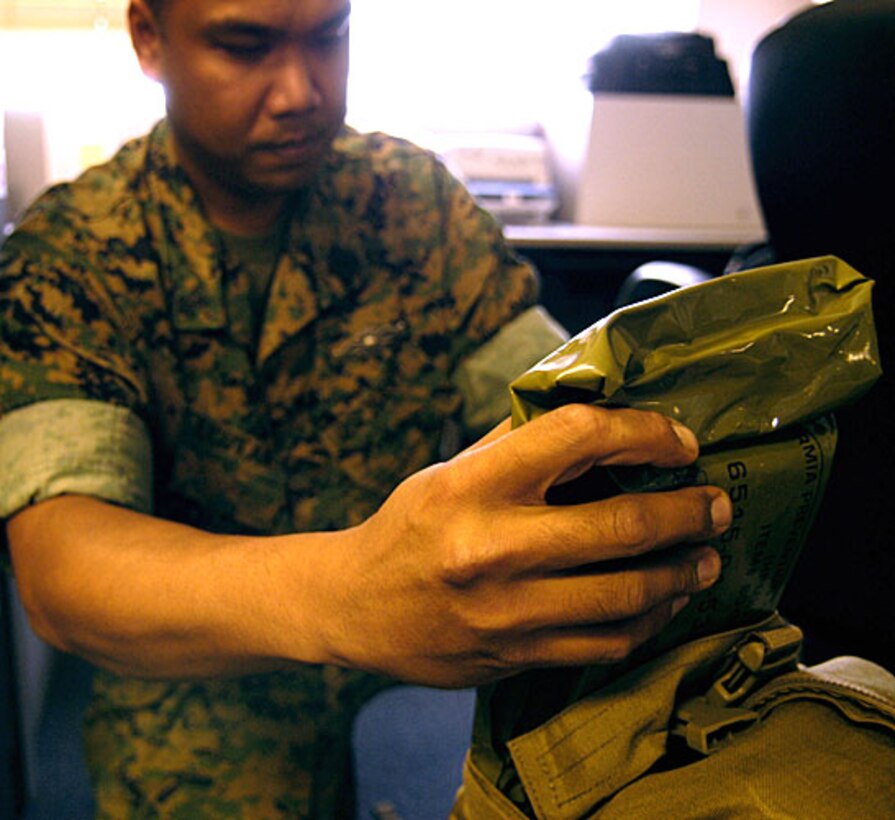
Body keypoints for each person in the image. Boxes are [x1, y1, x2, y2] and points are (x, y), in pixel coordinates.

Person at [0, 0, 731, 815]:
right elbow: (63, 567)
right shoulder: (74, 251)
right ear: (149, 38)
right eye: (245, 46)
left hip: (440, 613)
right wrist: (348, 596)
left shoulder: (408, 200)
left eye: (329, 37)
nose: (300, 91)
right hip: (205, 656)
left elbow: (549, 388)